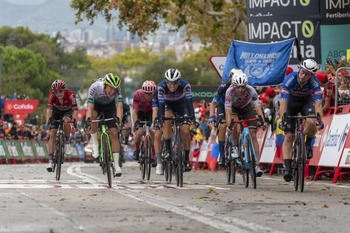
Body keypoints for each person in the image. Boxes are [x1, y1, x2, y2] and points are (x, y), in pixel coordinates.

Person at [279, 59, 324, 182]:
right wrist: (283, 118)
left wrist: (319, 119)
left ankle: (308, 144)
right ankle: (288, 168)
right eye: (302, 72)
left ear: (312, 75)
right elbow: (283, 102)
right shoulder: (290, 78)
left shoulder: (314, 82)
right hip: (291, 104)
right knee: (289, 136)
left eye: (307, 74)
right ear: (299, 69)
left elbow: (318, 104)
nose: (303, 75)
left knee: (311, 120)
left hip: (306, 102)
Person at [224, 72, 266, 177]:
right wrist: (229, 126)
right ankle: (234, 146)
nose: (240, 89)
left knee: (252, 133)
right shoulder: (229, 92)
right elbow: (228, 112)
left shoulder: (251, 89)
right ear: (234, 85)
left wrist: (262, 119)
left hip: (246, 108)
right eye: (238, 87)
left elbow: (257, 106)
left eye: (242, 87)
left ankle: (256, 164)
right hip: (234, 109)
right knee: (235, 126)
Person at [85, 73, 123, 177]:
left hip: (110, 107)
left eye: (115, 89)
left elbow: (119, 106)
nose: (113, 92)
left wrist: (118, 121)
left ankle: (116, 165)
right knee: (93, 116)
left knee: (114, 133)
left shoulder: (117, 89)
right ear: (105, 86)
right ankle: (95, 145)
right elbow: (89, 107)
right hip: (96, 105)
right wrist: (88, 120)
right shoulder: (95, 87)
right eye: (110, 89)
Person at [157, 68, 195, 172]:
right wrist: (160, 119)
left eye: (175, 83)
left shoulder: (185, 85)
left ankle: (186, 160)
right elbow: (160, 104)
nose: (172, 86)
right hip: (168, 106)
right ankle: (168, 149)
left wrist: (192, 117)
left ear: (179, 82)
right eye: (169, 83)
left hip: (183, 106)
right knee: (167, 120)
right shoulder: (161, 87)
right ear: (166, 82)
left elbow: (189, 101)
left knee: (185, 131)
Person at [208, 68, 243, 167]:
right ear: (231, 78)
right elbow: (213, 103)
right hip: (222, 106)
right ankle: (222, 156)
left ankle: (236, 146)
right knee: (223, 126)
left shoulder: (242, 85)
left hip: (234, 107)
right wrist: (211, 116)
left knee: (236, 124)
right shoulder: (223, 86)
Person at [45, 79, 78, 172]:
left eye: (60, 91)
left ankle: (67, 141)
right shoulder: (52, 95)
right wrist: (48, 121)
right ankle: (50, 161)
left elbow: (75, 110)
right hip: (56, 111)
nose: (58, 94)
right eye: (56, 92)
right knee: (52, 134)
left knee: (66, 121)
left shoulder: (71, 94)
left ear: (64, 90)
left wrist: (74, 121)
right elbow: (49, 110)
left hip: (67, 111)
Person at [132, 80, 157, 170]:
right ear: (143, 92)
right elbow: (134, 111)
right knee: (139, 132)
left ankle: (153, 154)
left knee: (152, 131)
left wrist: (154, 123)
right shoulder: (137, 94)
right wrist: (136, 123)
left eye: (151, 94)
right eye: (146, 94)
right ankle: (137, 149)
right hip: (140, 113)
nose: (149, 96)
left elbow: (155, 110)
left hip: (151, 112)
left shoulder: (157, 95)